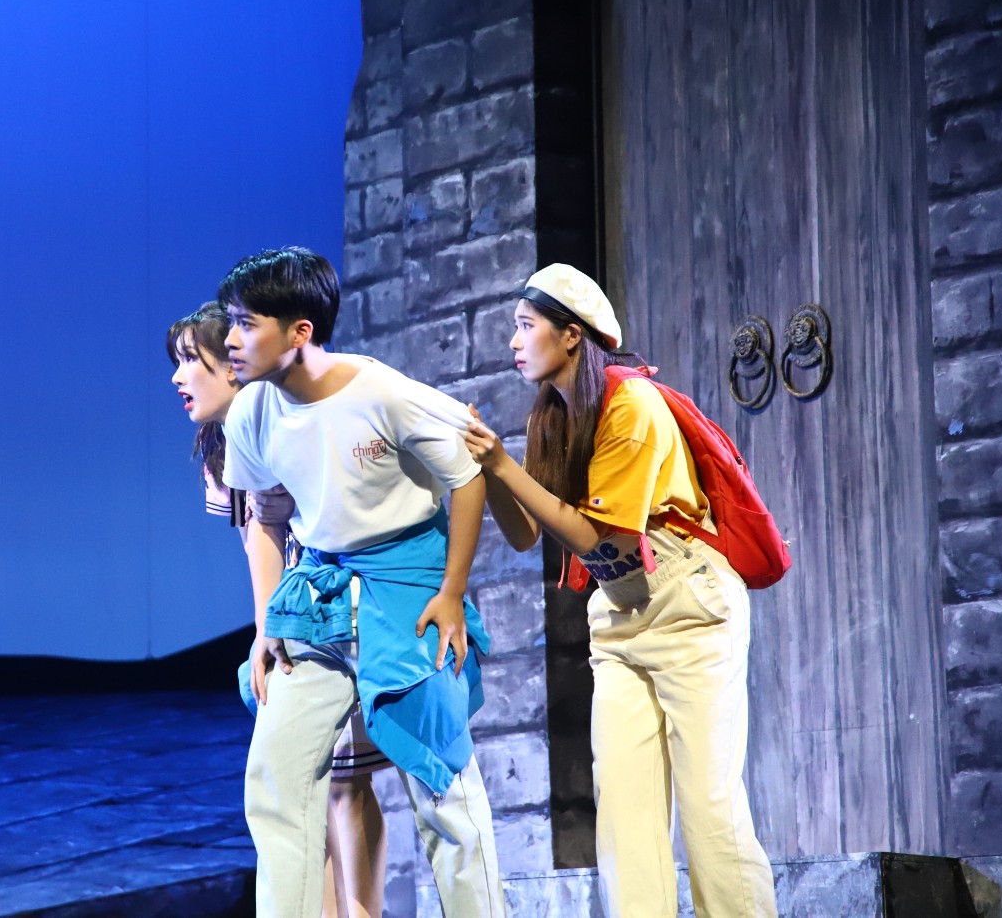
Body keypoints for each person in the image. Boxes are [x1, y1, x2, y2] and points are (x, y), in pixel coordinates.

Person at [463, 263, 777, 918]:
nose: (514, 341)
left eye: (525, 325)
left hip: (687, 604)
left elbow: (598, 536)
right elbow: (525, 534)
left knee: (708, 806)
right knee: (624, 815)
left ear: (570, 335)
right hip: (618, 614)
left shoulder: (631, 404)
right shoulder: (552, 415)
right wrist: (487, 468)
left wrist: (502, 465)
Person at [216, 247, 505, 918]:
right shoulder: (251, 411)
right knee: (276, 777)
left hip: (407, 592)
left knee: (443, 788)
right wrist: (266, 624)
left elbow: (467, 478)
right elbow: (265, 513)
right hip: (319, 595)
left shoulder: (382, 394)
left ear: (300, 332)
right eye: (230, 322)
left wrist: (451, 593)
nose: (229, 339)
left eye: (245, 323)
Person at [166, 301, 388, 918]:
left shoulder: (288, 421)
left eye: (190, 360)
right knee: (300, 785)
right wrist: (267, 630)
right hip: (290, 621)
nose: (178, 377)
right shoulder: (222, 449)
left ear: (233, 364)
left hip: (340, 610)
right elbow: (257, 543)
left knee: (345, 780)